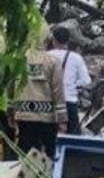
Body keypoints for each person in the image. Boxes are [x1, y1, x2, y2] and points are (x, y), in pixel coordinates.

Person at [8, 24, 66, 156]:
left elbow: (10, 88)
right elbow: (58, 91)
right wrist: (62, 119)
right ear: (47, 38)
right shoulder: (53, 61)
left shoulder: (17, 59)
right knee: (50, 154)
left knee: (26, 154)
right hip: (47, 118)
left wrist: (10, 111)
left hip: (23, 116)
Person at [47, 26, 91, 135]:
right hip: (69, 101)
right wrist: (73, 84)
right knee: (73, 137)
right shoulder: (76, 58)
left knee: (48, 136)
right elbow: (86, 81)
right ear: (68, 40)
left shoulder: (47, 56)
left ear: (53, 40)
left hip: (49, 102)